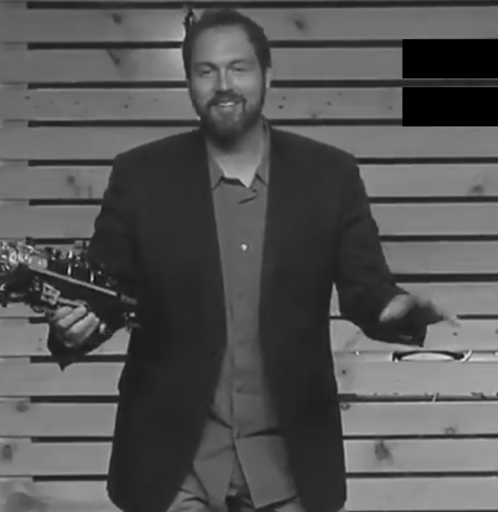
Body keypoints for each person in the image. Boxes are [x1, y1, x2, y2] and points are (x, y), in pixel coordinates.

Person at [44, 8, 458, 512]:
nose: (223, 84)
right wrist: (73, 332)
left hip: (290, 467)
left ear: (267, 75)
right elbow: (103, 292)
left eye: (238, 68)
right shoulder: (139, 176)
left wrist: (401, 310)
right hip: (174, 469)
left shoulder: (331, 176)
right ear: (189, 82)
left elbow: (366, 290)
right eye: (206, 71)